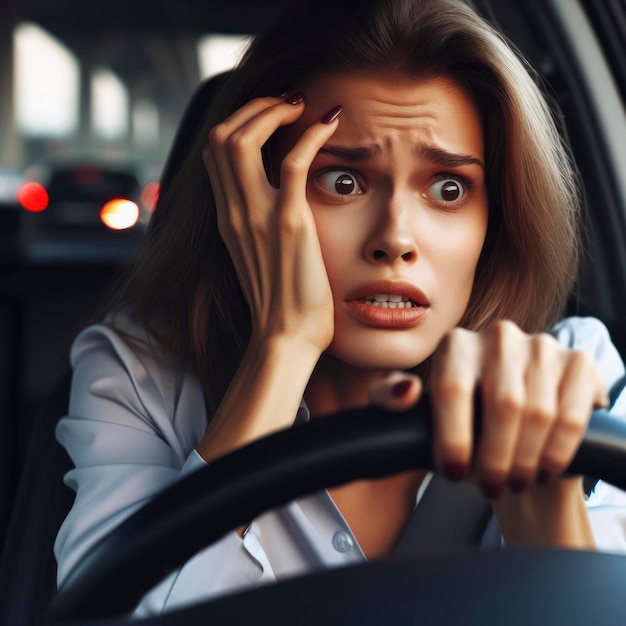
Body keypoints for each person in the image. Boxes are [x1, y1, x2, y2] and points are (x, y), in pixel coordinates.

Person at [54, 0, 626, 617]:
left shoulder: (574, 368)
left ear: (498, 220)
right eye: (342, 182)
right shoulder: (142, 375)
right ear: (255, 203)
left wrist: (542, 512)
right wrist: (283, 344)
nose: (395, 238)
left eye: (449, 188)